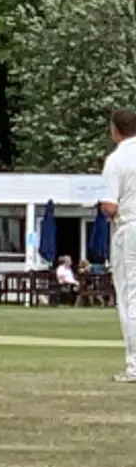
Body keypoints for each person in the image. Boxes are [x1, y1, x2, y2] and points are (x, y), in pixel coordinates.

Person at [100, 109, 136, 382]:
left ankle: (134, 365)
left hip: (130, 229)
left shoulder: (117, 160)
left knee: (130, 296)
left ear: (116, 130)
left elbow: (110, 206)